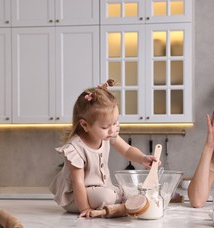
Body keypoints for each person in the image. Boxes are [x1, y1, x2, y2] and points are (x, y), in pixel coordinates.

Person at [49, 80, 159, 218]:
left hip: (101, 189)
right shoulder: (75, 148)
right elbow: (78, 183)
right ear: (85, 125)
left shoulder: (107, 135)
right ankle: (115, 204)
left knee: (128, 191)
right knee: (106, 196)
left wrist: (143, 158)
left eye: (115, 123)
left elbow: (127, 150)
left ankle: (118, 204)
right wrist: (86, 208)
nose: (112, 130)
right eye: (105, 127)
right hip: (77, 197)